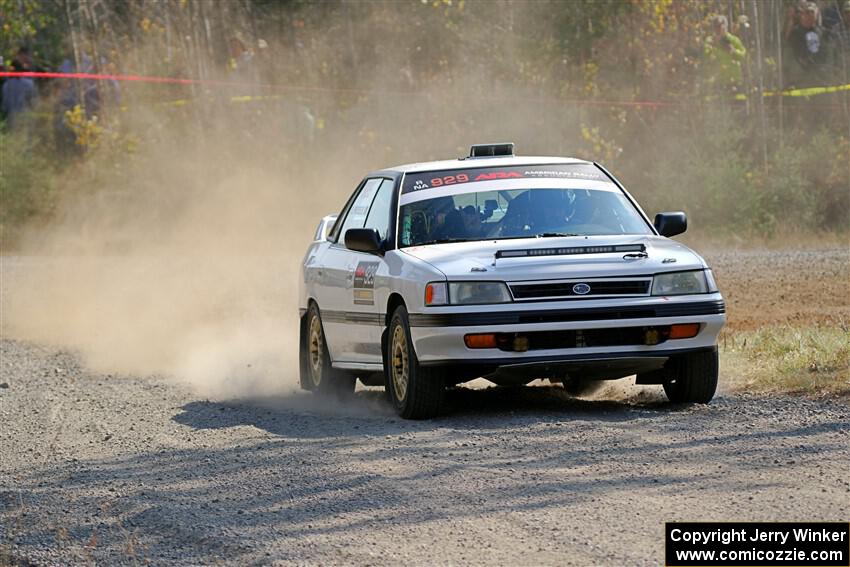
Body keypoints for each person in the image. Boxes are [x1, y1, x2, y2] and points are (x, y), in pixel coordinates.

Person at [787, 2, 830, 84]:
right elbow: (794, 52)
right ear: (802, 15)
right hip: (800, 74)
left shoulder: (822, 32)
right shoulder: (795, 32)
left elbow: (825, 51)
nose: (809, 15)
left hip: (819, 73)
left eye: (812, 12)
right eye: (807, 12)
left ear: (816, 15)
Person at [703, 15, 747, 92]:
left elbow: (743, 56)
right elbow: (705, 57)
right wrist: (714, 47)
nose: (719, 29)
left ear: (726, 26)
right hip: (717, 82)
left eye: (721, 26)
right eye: (716, 27)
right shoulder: (710, 41)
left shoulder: (733, 40)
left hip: (734, 81)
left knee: (738, 102)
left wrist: (733, 51)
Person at [1, 57, 37, 130]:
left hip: (10, 121)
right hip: (25, 119)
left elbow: (4, 106)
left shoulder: (6, 85)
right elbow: (33, 102)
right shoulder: (29, 84)